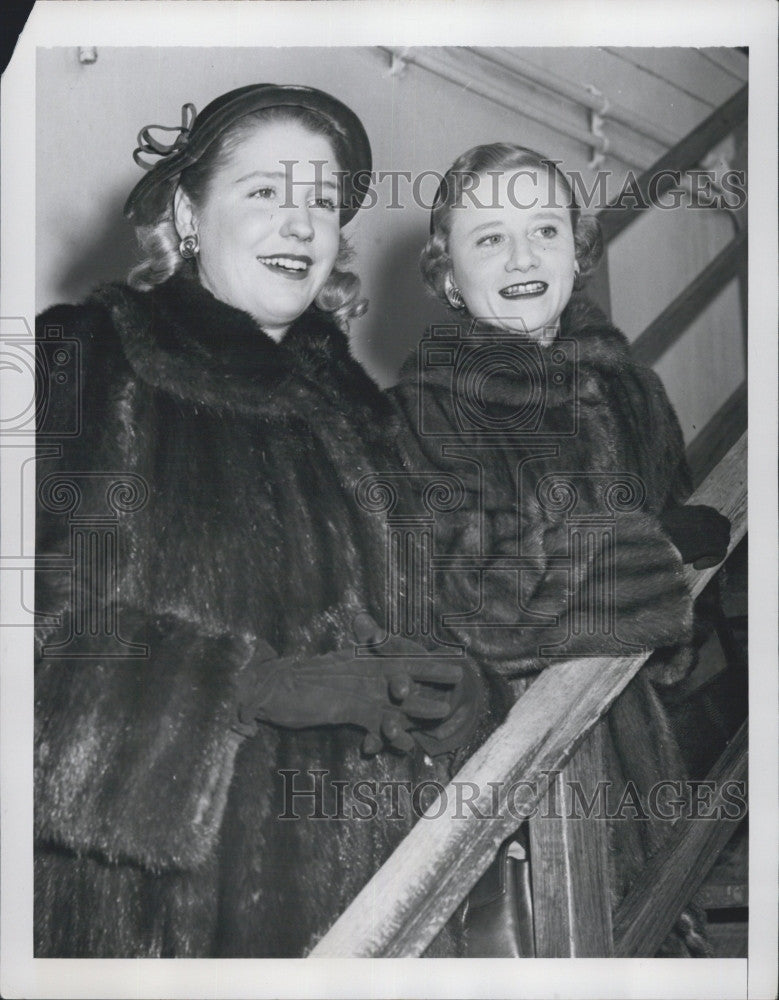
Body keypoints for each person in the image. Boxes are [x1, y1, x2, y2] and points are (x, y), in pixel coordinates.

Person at [33, 84, 484, 958]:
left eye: (321, 201)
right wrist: (253, 687)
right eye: (265, 192)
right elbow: (41, 630)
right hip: (164, 921)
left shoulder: (363, 414)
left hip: (376, 900)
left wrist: (457, 691)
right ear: (188, 216)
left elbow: (435, 617)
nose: (301, 222)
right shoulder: (86, 356)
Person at [389, 143, 731, 955]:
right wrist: (652, 557)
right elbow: (473, 611)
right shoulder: (428, 409)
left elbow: (678, 645)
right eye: (488, 238)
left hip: (633, 748)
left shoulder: (627, 391)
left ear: (576, 252)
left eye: (543, 229)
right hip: (501, 761)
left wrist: (672, 604)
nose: (521, 256)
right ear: (447, 275)